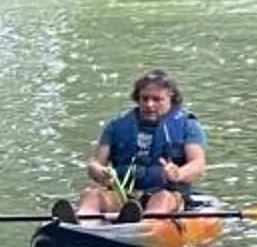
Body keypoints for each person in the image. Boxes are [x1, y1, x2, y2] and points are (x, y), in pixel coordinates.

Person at [67, 69, 206, 220]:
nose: (149, 104)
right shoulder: (117, 125)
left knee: (163, 199)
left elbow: (198, 164)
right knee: (91, 195)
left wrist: (178, 174)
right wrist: (100, 172)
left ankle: (146, 225)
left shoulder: (188, 125)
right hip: (123, 196)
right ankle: (83, 224)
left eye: (157, 99)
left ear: (171, 99)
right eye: (144, 99)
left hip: (165, 195)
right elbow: (95, 163)